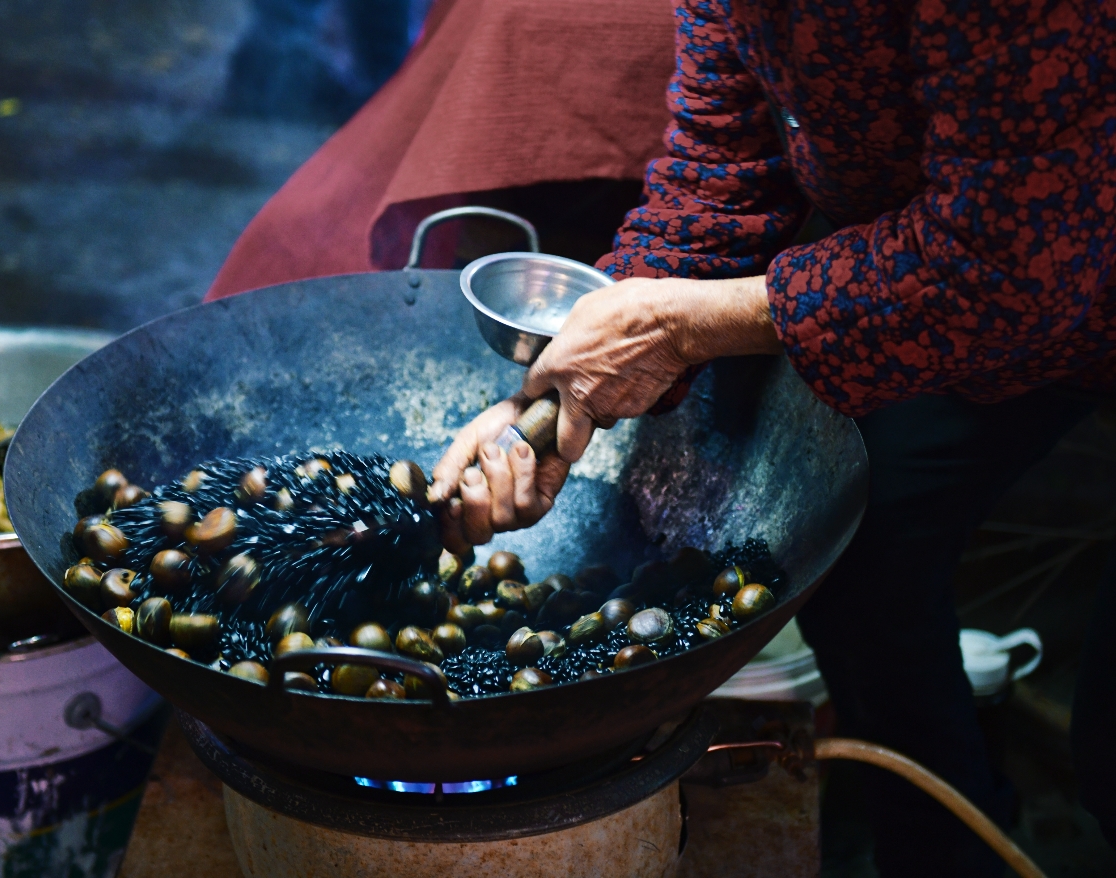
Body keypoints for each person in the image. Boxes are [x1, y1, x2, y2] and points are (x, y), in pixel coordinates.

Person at [428, 0, 1116, 875]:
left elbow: (1006, 260)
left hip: (1031, 267)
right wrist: (564, 398)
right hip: (1005, 299)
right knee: (864, 558)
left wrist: (688, 326)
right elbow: (722, 168)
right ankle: (947, 852)